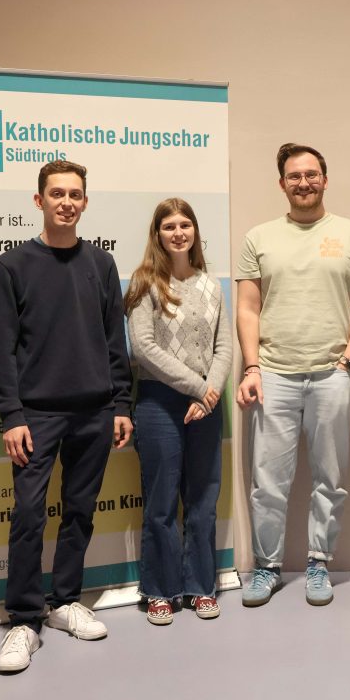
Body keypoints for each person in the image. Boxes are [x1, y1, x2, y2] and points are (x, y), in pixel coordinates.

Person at [0, 160, 132, 673]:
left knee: (80, 510)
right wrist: (11, 415)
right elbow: (1, 350)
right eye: (56, 194)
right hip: (36, 416)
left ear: (85, 202)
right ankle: (25, 620)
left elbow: (115, 341)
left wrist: (120, 405)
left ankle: (66, 600)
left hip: (95, 411)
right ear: (39, 201)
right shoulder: (11, 266)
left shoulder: (102, 264)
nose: (66, 202)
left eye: (74, 194)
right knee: (29, 515)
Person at [235, 143, 350, 607]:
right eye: (294, 176)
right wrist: (252, 366)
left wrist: (348, 362)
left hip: (331, 375)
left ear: (325, 179)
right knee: (268, 482)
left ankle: (319, 562)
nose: (304, 183)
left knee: (330, 478)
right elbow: (247, 308)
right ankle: (267, 567)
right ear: (282, 184)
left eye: (312, 174)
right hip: (273, 374)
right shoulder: (259, 237)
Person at [125, 198, 232, 625]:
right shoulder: (145, 283)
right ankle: (160, 590)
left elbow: (224, 346)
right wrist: (198, 388)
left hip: (206, 404)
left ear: (195, 231)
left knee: (203, 499)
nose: (178, 232)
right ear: (157, 234)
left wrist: (209, 394)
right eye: (168, 226)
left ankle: (200, 586)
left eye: (185, 224)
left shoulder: (211, 284)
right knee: (161, 502)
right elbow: (143, 348)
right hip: (159, 403)